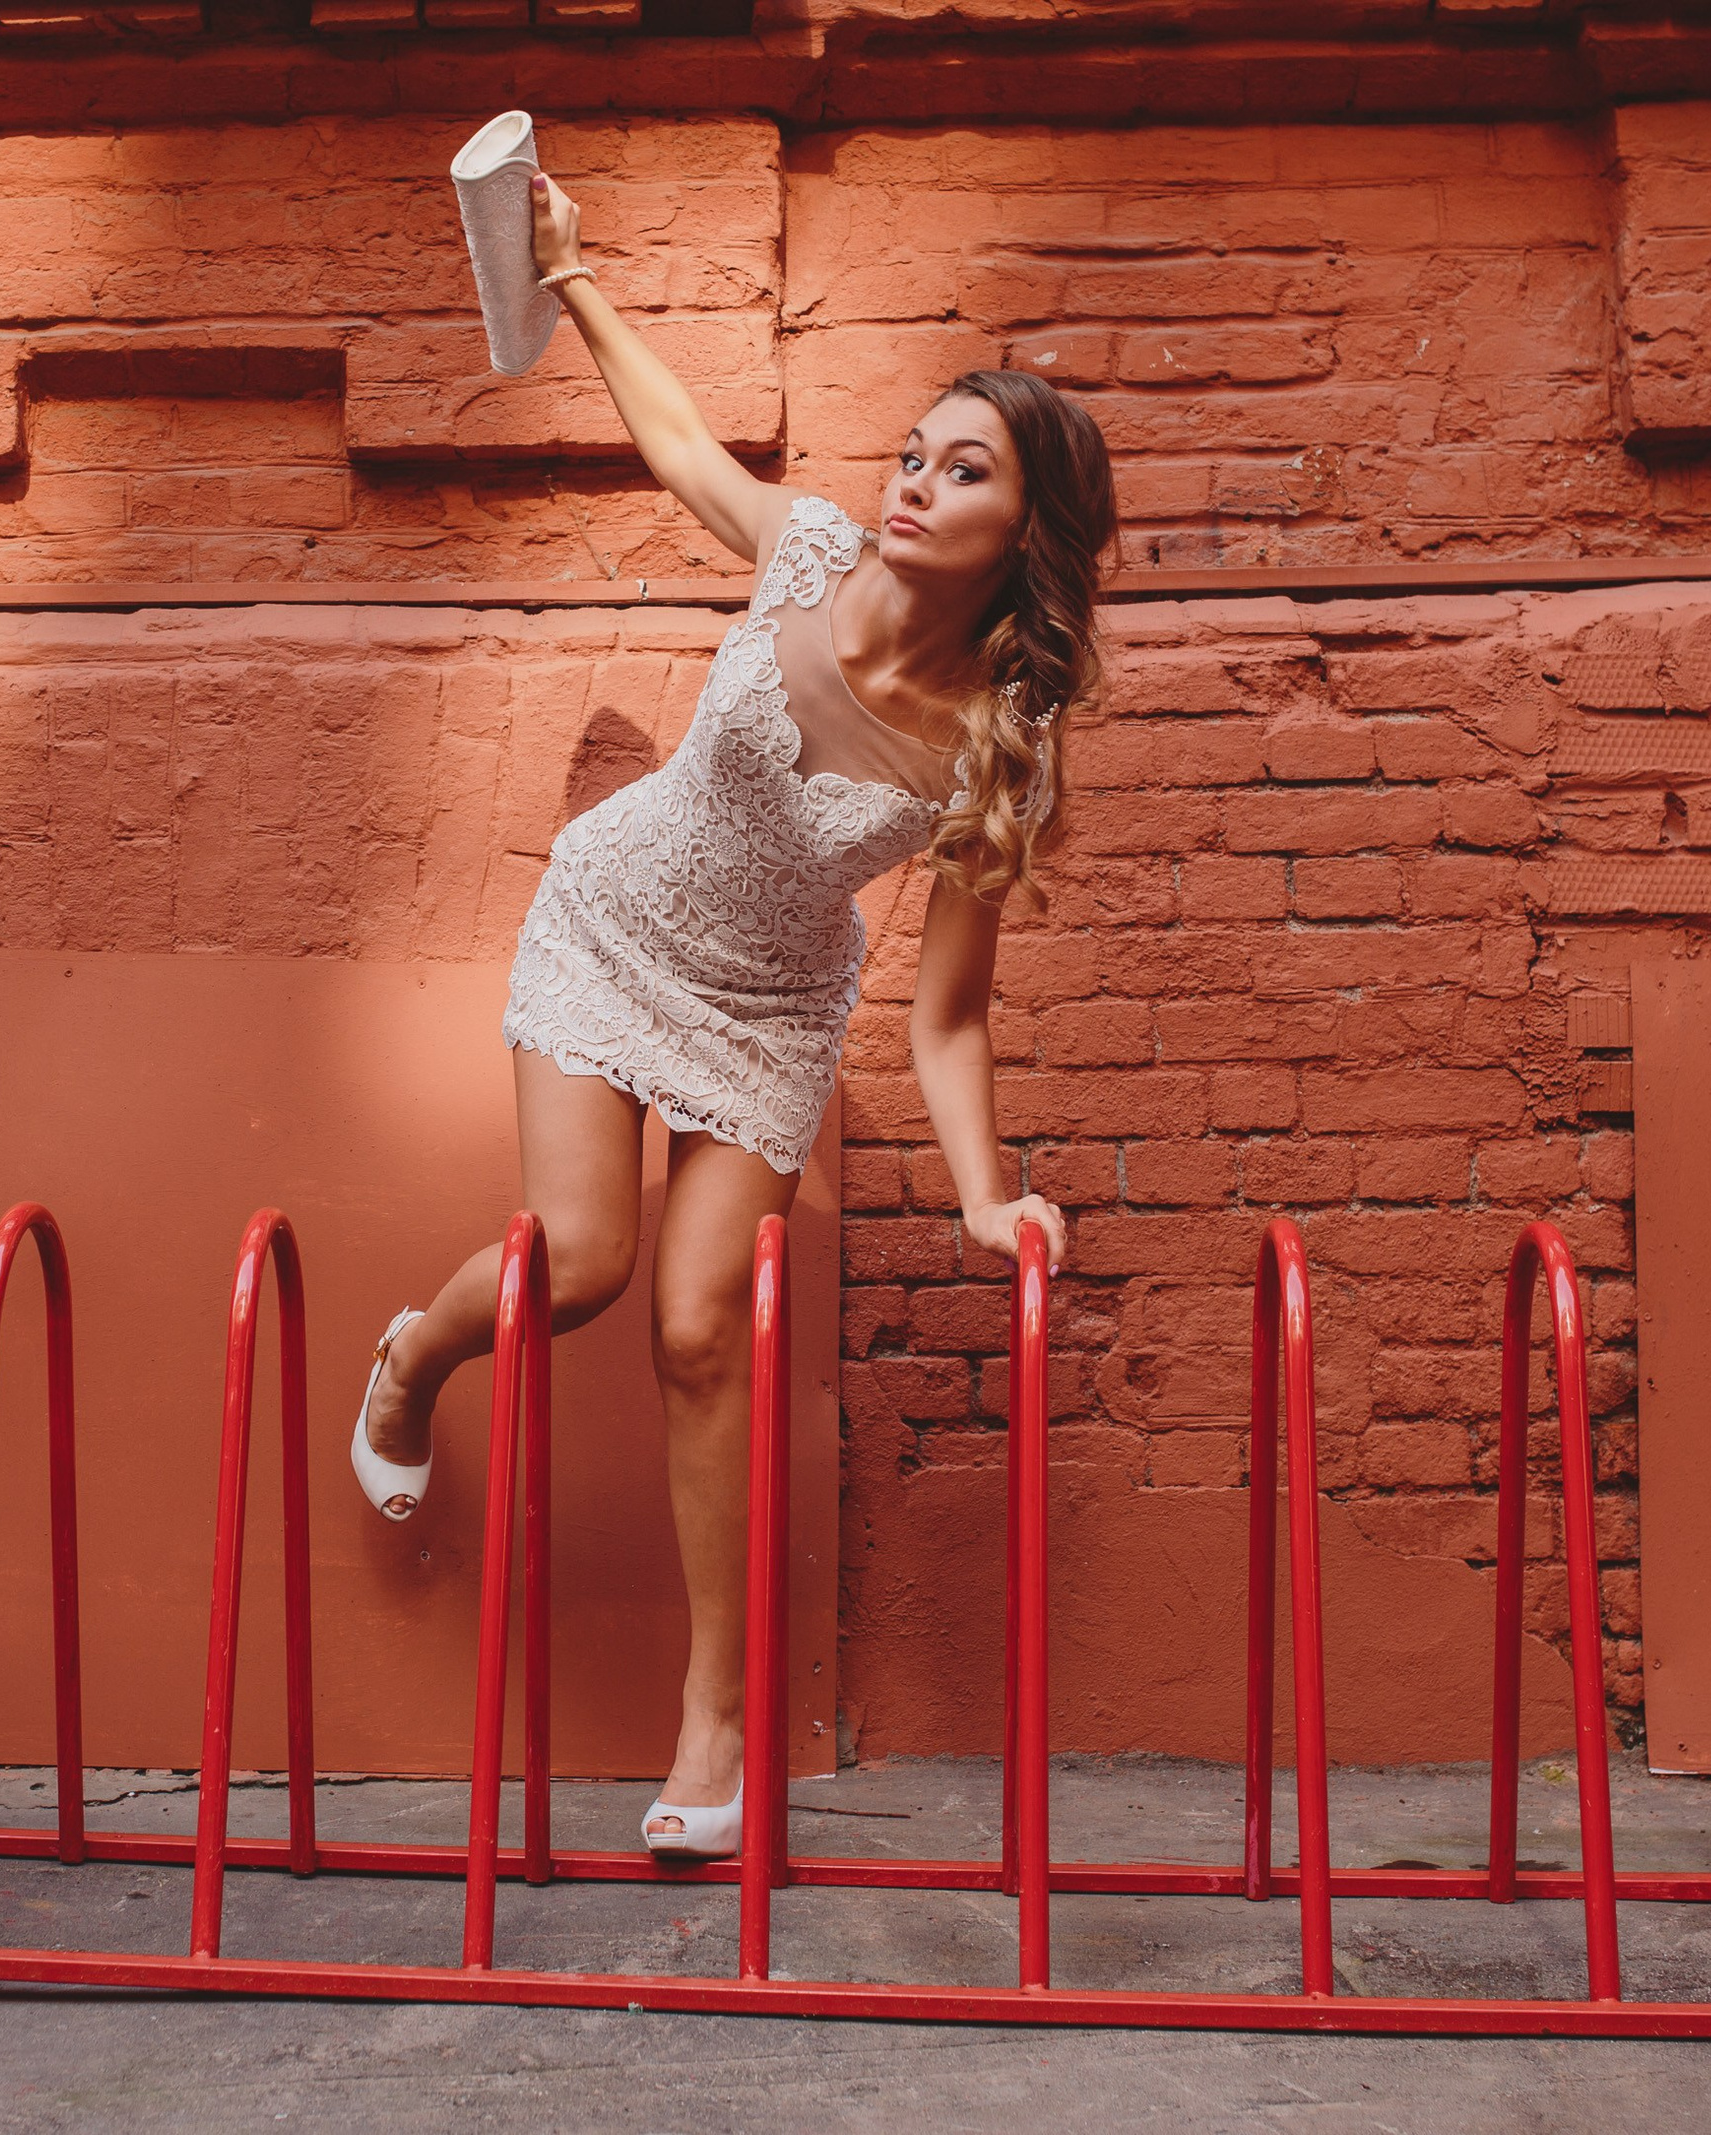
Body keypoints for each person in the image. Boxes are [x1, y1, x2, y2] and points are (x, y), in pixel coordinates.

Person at [350, 165, 1115, 1858]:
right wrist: (576, 280)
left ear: (1029, 533)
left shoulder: (1003, 747)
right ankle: (414, 1357)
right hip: (616, 920)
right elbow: (688, 447)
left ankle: (715, 1713)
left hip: (766, 1007)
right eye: (915, 452)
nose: (914, 484)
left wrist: (990, 1193)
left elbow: (947, 1014)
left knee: (705, 1335)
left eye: (963, 471)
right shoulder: (818, 552)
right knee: (586, 1262)